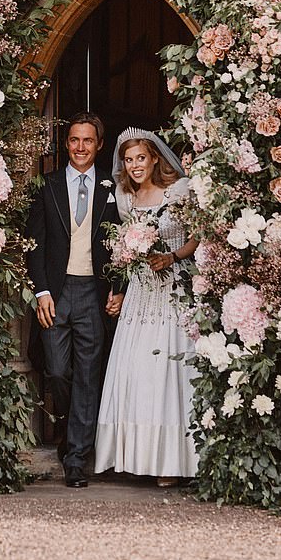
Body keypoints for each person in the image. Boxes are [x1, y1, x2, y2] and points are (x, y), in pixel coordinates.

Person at [94, 127, 199, 486]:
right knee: (137, 370)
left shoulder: (178, 191)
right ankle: (136, 456)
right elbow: (125, 253)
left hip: (173, 289)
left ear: (155, 158)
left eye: (141, 158)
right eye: (128, 160)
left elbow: (197, 236)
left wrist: (171, 255)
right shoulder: (125, 198)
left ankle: (171, 462)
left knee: (169, 373)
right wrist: (120, 287)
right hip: (140, 293)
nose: (135, 165)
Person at [26, 112, 122, 488]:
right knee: (57, 371)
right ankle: (69, 429)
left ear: (99, 145)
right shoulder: (46, 186)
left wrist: (117, 287)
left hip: (93, 293)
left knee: (87, 376)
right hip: (56, 291)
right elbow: (34, 244)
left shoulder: (112, 188)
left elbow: (122, 246)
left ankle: (77, 459)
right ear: (66, 144)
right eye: (74, 140)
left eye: (87, 141)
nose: (80, 147)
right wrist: (42, 291)